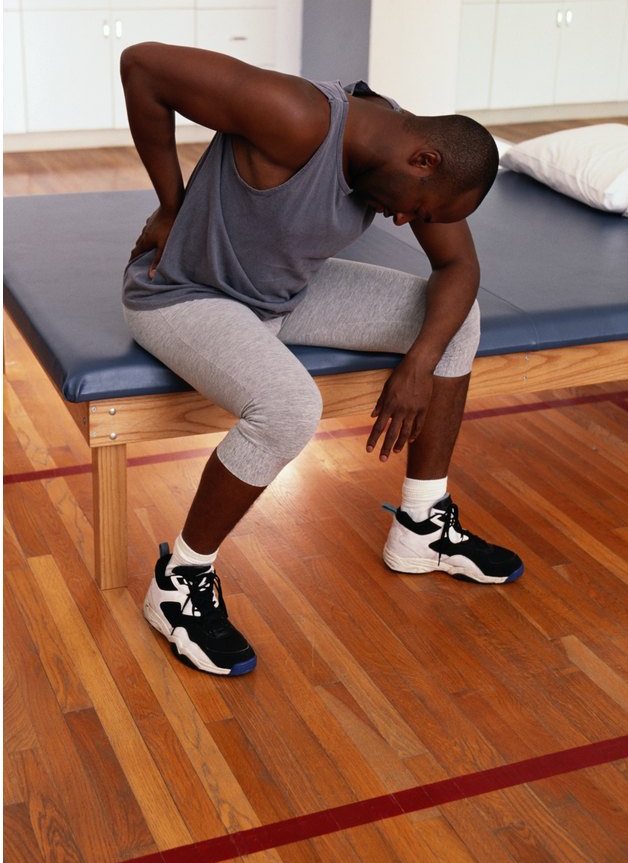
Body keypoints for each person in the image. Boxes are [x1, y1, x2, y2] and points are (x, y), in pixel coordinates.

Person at [120, 43, 524, 677]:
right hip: (182, 294)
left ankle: (421, 525)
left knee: (454, 321)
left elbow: (458, 266)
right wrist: (171, 204)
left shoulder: (405, 159)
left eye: (416, 219)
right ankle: (180, 581)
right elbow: (141, 66)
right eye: (416, 208)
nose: (401, 219)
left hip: (283, 293)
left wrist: (419, 363)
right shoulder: (296, 115)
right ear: (424, 159)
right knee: (287, 407)